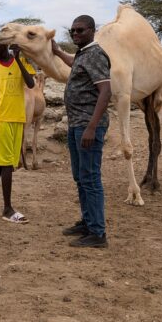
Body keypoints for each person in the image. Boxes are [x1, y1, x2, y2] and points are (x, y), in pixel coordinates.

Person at [52, 15, 112, 248]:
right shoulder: (83, 53)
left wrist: (91, 127)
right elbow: (74, 65)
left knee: (90, 179)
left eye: (80, 30)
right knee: (81, 177)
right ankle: (88, 223)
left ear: (92, 30)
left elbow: (105, 92)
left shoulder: (95, 54)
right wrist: (57, 52)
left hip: (87, 126)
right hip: (77, 124)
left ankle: (98, 233)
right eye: (72, 31)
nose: (75, 34)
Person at [0, 31, 35, 223]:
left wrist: (19, 59)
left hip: (17, 119)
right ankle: (8, 209)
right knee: (6, 167)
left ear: (5, 43)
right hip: (1, 120)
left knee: (2, 166)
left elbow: (31, 83)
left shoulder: (22, 63)